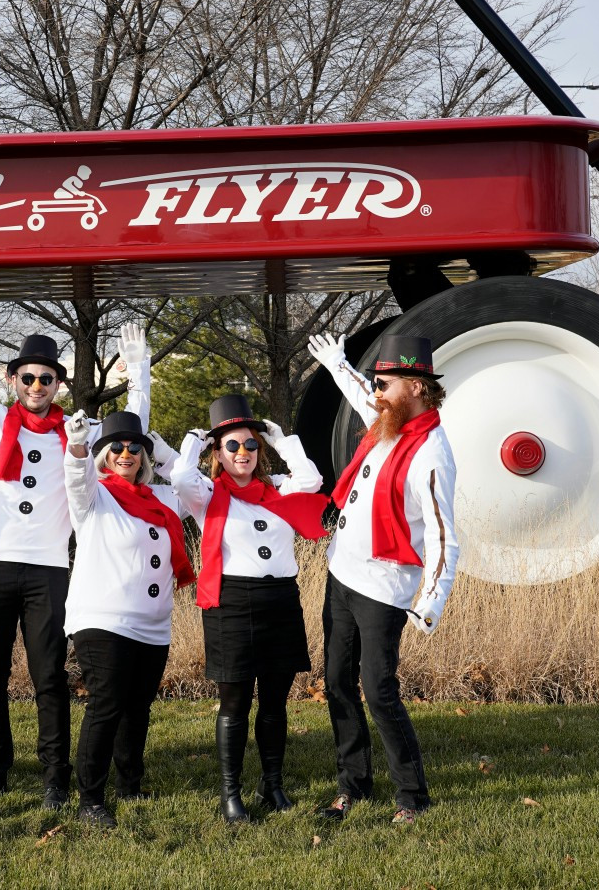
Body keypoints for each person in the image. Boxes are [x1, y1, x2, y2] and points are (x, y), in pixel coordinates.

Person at [0, 279, 151, 810]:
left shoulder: (76, 429)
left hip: (48, 569)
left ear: (58, 383)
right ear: (12, 379)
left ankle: (55, 777)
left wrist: (137, 370)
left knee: (49, 678)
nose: (36, 385)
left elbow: (132, 427)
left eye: (46, 378)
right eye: (27, 377)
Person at [306, 331, 461, 825]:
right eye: (376, 381)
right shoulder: (389, 418)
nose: (375, 391)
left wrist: (432, 600)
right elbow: (360, 393)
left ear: (416, 385)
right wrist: (337, 363)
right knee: (336, 682)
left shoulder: (432, 453)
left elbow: (443, 536)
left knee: (378, 689)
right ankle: (353, 783)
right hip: (341, 574)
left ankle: (412, 796)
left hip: (384, 589)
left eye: (385, 382)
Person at [171, 394, 328, 823]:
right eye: (232, 446)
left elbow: (311, 480)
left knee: (275, 702)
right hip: (231, 604)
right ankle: (230, 793)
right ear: (218, 454)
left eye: (251, 444)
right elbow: (180, 476)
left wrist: (284, 442)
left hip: (280, 599)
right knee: (235, 702)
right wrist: (193, 440)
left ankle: (272, 784)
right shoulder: (206, 495)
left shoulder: (277, 488)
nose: (243, 453)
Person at [62, 410, 194, 828]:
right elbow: (76, 480)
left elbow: (192, 487)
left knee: (137, 708)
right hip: (104, 619)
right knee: (107, 704)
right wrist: (78, 446)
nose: (125, 454)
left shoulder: (162, 498)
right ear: (104, 455)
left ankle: (130, 784)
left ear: (144, 455)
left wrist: (177, 453)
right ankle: (90, 799)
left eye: (134, 447)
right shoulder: (97, 496)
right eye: (116, 447)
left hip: (153, 625)